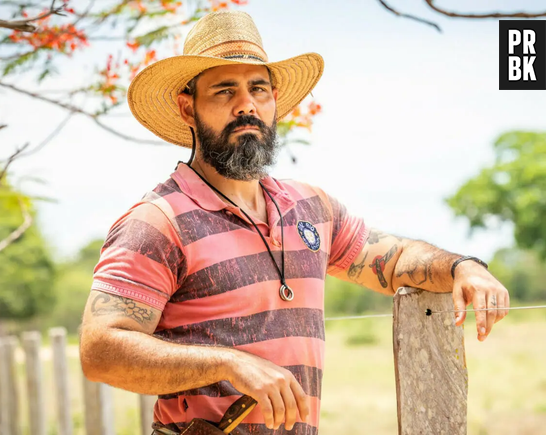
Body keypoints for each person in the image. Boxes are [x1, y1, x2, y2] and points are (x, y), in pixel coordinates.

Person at [79, 10, 510, 435]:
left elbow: (393, 260)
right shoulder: (159, 222)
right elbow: (100, 352)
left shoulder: (310, 208)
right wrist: (227, 363)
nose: (246, 105)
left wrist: (463, 267)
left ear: (274, 101)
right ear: (187, 108)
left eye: (258, 89)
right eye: (225, 91)